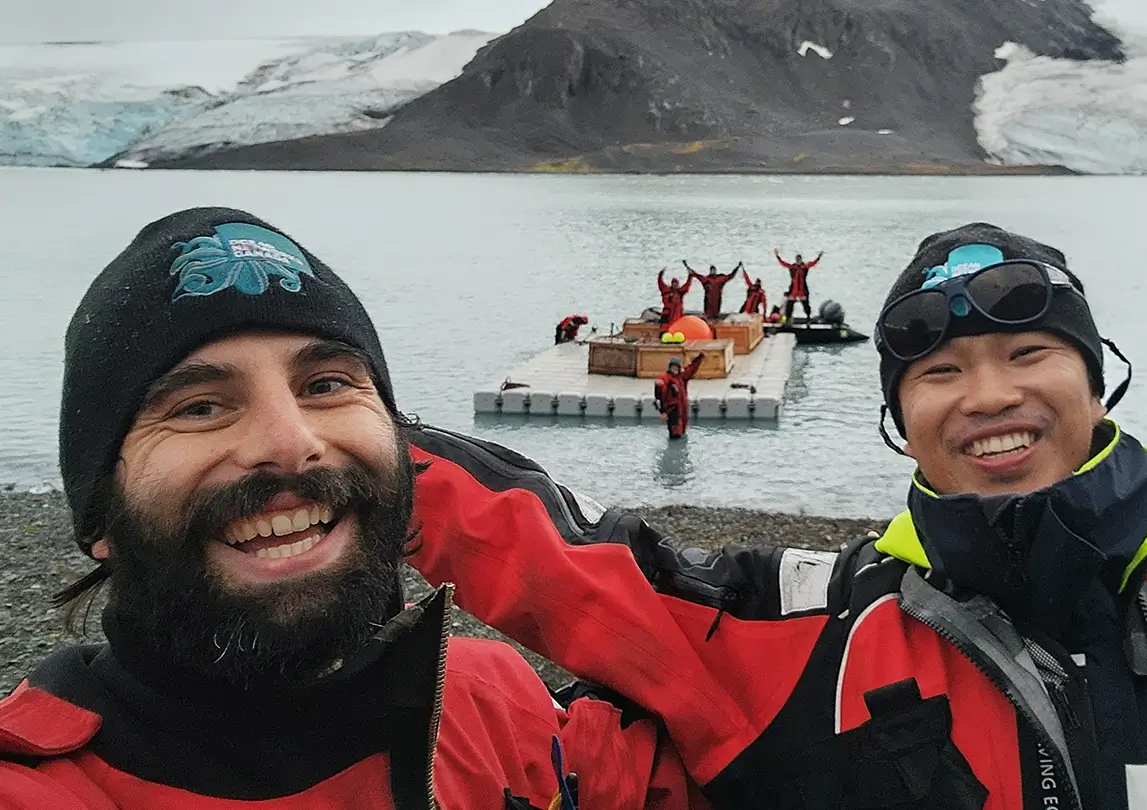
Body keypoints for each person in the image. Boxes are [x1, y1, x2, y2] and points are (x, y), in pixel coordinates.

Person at [401, 223, 1147, 810]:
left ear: (1099, 381)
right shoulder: (808, 638)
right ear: (900, 418)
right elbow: (566, 564)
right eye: (940, 371)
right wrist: (328, 445)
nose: (988, 395)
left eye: (1029, 355)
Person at [0, 207, 701, 810]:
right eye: (200, 406)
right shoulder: (36, 783)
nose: (291, 442)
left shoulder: (497, 707)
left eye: (327, 383)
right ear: (100, 518)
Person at [653, 355, 705, 439]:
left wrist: (699, 358)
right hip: (672, 410)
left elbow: (691, 369)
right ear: (669, 367)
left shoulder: (682, 376)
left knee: (683, 431)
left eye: (676, 367)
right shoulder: (665, 378)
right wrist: (662, 412)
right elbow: (658, 397)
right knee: (675, 434)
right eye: (673, 366)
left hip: (683, 409)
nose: (675, 369)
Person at [774, 249, 822, 324]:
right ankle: (787, 319)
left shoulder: (805, 267)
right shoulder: (793, 267)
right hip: (794, 290)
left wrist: (818, 257)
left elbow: (812, 264)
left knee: (806, 304)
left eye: (799, 259)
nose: (798, 261)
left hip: (802, 290)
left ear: (801, 260)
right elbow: (784, 264)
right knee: (790, 305)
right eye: (797, 260)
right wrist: (777, 256)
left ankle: (808, 318)